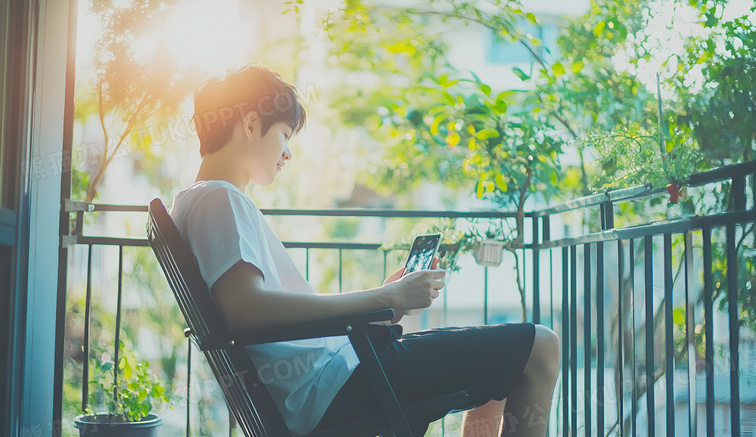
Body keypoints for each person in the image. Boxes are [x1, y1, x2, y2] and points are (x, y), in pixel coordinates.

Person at [170, 64, 559, 437]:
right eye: (285, 134)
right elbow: (249, 311)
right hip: (338, 386)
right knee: (540, 346)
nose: (287, 153)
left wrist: (386, 303)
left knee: (505, 364)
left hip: (335, 377)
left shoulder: (198, 201)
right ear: (252, 123)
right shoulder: (221, 199)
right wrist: (386, 297)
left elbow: (266, 314)